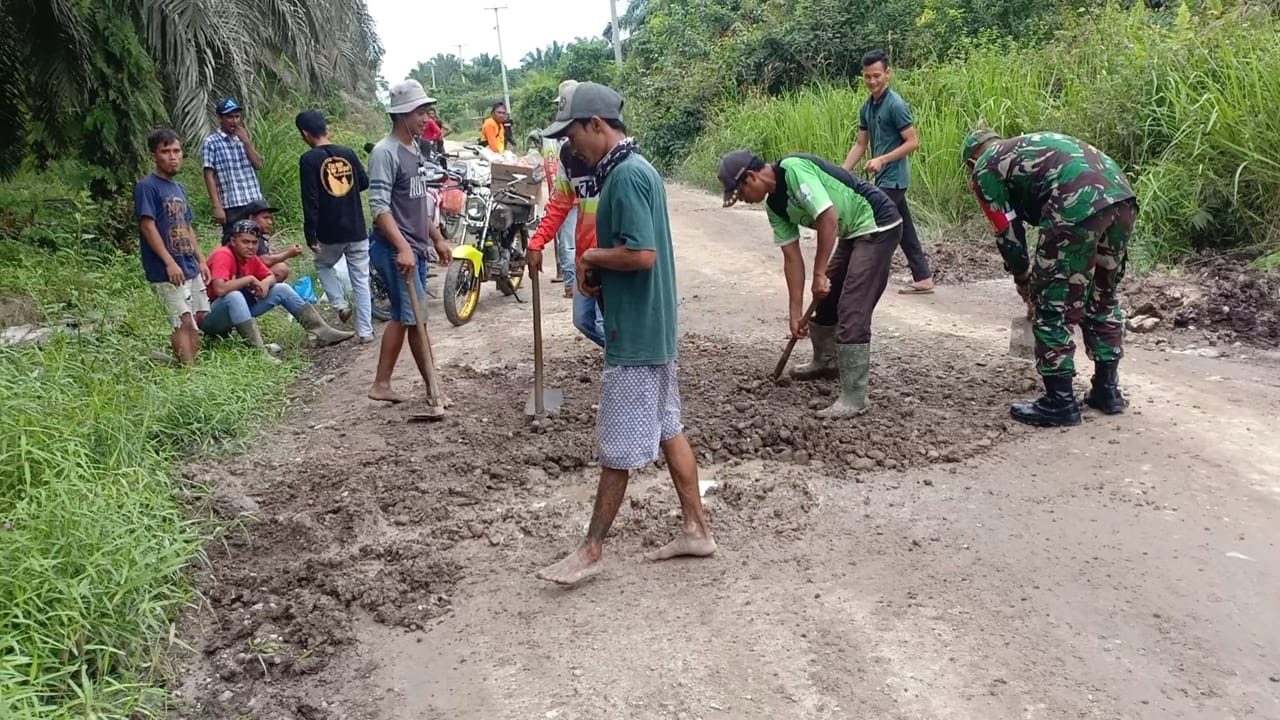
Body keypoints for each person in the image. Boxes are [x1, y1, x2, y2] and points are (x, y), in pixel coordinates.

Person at [535, 82, 715, 587]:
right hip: (647, 325)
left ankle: (590, 550)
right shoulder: (625, 172)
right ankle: (696, 528)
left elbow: (642, 255)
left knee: (617, 445)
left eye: (572, 135)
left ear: (597, 125)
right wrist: (597, 270)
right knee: (668, 426)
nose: (570, 147)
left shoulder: (627, 176)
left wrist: (590, 257)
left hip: (635, 333)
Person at [962, 129, 1137, 427]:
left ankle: (1060, 403)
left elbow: (1007, 231)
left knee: (1051, 302)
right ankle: (1107, 392)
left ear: (970, 160)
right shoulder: (1023, 147)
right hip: (1121, 196)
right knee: (1102, 295)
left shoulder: (985, 166)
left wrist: (1023, 278)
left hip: (1075, 204)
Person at [718, 149, 902, 418]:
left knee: (852, 307)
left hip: (877, 222)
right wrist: (794, 314)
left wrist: (819, 274)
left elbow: (827, 218)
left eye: (741, 194)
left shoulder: (794, 170)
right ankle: (825, 362)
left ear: (751, 177)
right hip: (852, 230)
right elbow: (791, 259)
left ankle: (854, 397)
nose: (744, 201)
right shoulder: (775, 207)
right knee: (826, 301)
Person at [367, 80, 454, 404]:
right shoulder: (384, 153)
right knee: (416, 319)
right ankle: (433, 388)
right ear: (403, 114)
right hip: (395, 251)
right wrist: (402, 247)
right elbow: (379, 209)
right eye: (420, 112)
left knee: (406, 317)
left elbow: (418, 202)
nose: (425, 118)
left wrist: (436, 237)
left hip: (415, 248)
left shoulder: (414, 148)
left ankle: (383, 383)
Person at [841, 50, 934, 295]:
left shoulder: (895, 104)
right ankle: (923, 277)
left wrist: (882, 159)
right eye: (867, 77)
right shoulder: (866, 107)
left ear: (888, 73)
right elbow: (861, 144)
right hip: (883, 178)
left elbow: (913, 142)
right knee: (905, 230)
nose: (872, 81)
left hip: (894, 180)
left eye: (877, 76)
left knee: (870, 225)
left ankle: (861, 280)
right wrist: (841, 172)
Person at [525, 80, 607, 344]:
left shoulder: (616, 158)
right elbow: (560, 203)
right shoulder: (567, 156)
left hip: (613, 256)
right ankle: (624, 361)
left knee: (612, 323)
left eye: (571, 132)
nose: (569, 140)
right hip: (586, 257)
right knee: (583, 320)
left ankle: (626, 367)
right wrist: (537, 243)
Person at [201, 220, 353, 355]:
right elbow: (220, 289)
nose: (251, 247)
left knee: (282, 289)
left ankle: (323, 332)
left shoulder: (249, 257)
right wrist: (250, 279)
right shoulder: (223, 254)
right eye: (245, 242)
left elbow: (270, 276)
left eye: (254, 242)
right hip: (209, 318)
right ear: (233, 241)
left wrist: (265, 283)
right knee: (234, 296)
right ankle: (259, 353)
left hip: (236, 312)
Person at [135, 128, 212, 366]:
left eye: (176, 151)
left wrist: (200, 260)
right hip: (165, 268)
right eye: (165, 151)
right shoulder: (147, 186)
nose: (172, 156)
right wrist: (169, 261)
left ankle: (193, 367)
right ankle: (189, 372)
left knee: (196, 318)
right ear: (153, 156)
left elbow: (187, 226)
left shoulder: (179, 189)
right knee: (182, 320)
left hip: (188, 264)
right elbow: (148, 226)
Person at [297, 109, 375, 344]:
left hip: (330, 232)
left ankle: (340, 303)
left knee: (322, 265)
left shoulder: (309, 160)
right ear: (326, 128)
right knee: (361, 279)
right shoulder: (348, 153)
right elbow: (363, 183)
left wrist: (310, 234)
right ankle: (366, 332)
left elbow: (310, 200)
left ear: (305, 133)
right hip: (356, 227)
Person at [201, 98, 264, 228]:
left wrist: (246, 142)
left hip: (254, 200)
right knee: (233, 242)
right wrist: (217, 206)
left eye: (237, 117)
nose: (235, 121)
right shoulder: (211, 142)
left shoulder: (243, 139)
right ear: (220, 119)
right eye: (230, 117)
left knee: (257, 243)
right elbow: (209, 175)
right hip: (232, 204)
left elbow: (258, 165)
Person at [226, 199, 302, 283]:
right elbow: (265, 261)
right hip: (236, 277)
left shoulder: (249, 232)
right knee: (281, 269)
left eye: (270, 218)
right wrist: (289, 253)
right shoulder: (249, 235)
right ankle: (255, 292)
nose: (270, 222)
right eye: (265, 218)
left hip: (243, 274)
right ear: (251, 218)